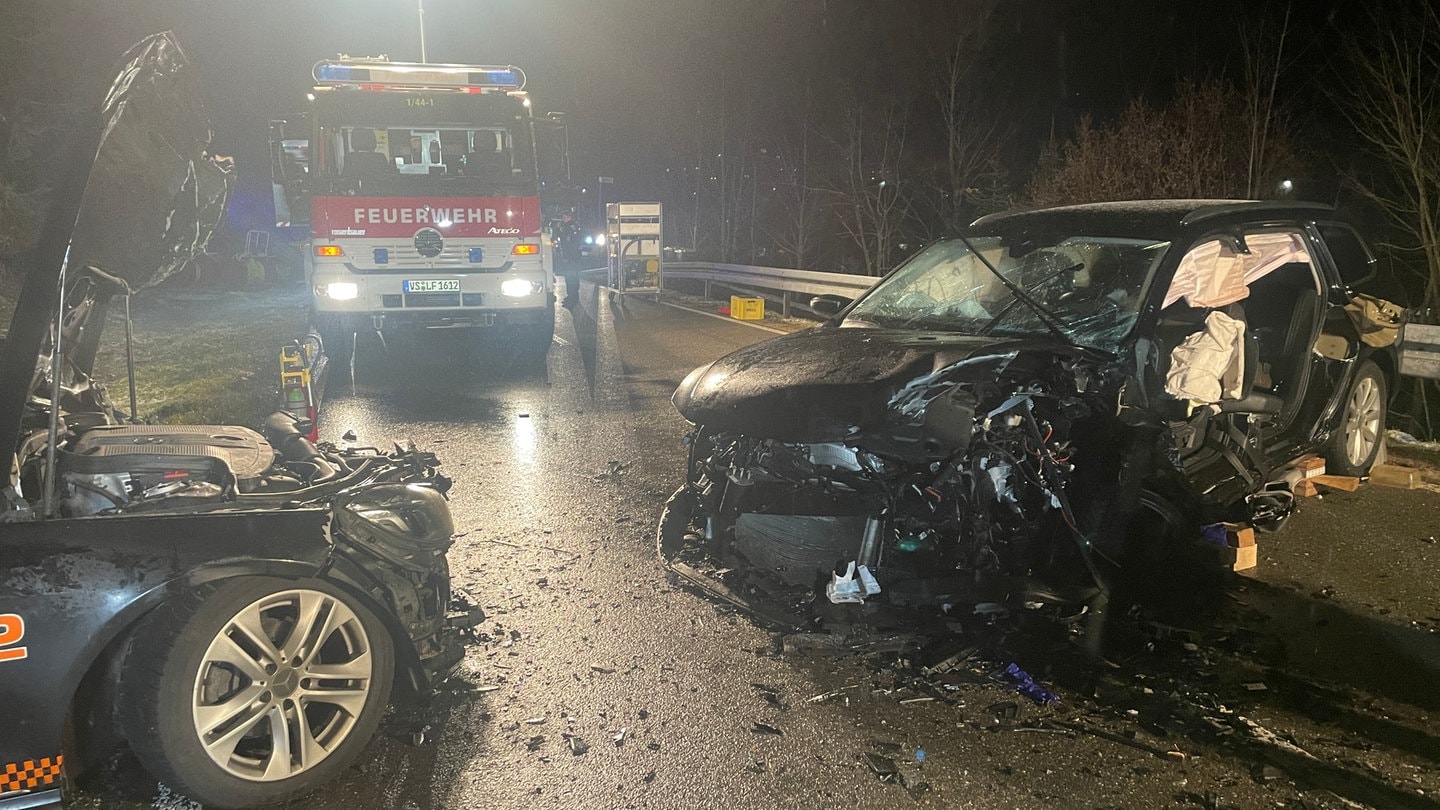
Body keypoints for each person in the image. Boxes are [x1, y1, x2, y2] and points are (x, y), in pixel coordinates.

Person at [555, 210, 584, 307]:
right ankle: (570, 296)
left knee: (571, 277)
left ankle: (573, 298)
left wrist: (567, 256)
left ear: (568, 217)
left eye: (564, 217)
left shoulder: (571, 227)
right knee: (570, 277)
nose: (562, 219)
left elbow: (569, 242)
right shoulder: (570, 226)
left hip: (572, 256)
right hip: (571, 256)